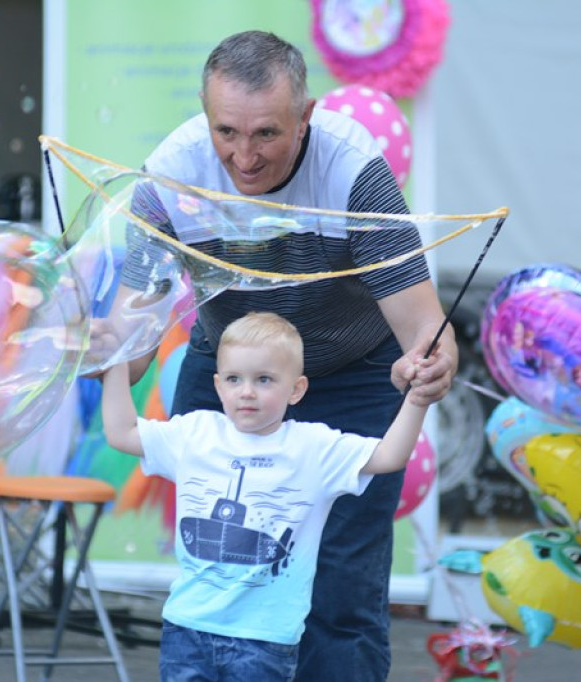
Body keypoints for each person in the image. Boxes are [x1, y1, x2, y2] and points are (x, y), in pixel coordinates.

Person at [111, 30, 458, 681]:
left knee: (341, 589)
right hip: (232, 373)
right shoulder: (169, 177)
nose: (243, 157)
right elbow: (132, 345)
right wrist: (99, 347)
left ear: (307, 115)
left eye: (266, 134)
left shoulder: (354, 172)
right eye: (227, 132)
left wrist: (430, 366)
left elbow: (425, 331)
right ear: (204, 114)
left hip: (353, 374)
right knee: (230, 581)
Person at [102, 312, 430, 681]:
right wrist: (114, 364)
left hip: (265, 640)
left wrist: (417, 399)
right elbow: (121, 432)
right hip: (187, 628)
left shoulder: (313, 447)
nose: (247, 391)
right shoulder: (194, 434)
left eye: (264, 380)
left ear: (296, 389)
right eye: (234, 379)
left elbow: (390, 456)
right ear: (218, 385)